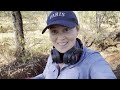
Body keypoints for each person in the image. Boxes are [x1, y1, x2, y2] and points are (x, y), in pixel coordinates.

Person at [32, 11, 117, 79]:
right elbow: (45, 76)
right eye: (54, 31)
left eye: (66, 30)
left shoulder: (93, 60)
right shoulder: (53, 56)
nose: (61, 38)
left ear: (77, 30)